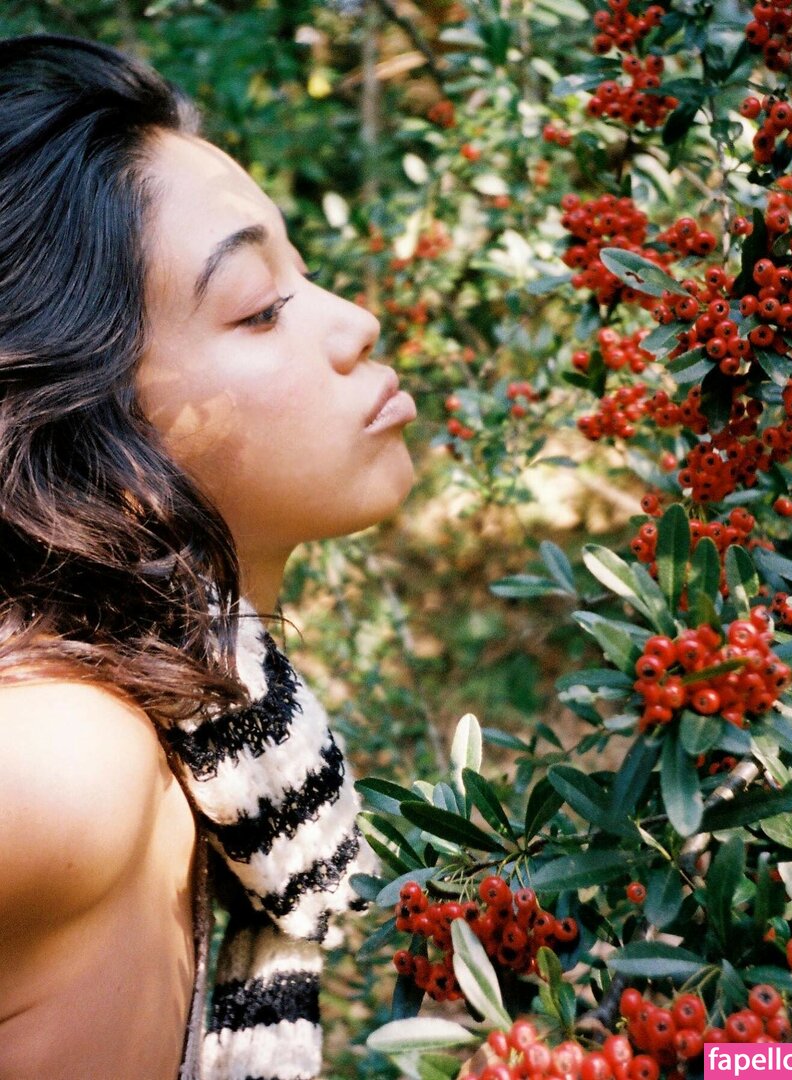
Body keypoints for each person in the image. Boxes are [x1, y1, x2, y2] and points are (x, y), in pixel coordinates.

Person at [0, 33, 415, 1080]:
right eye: (260, 308)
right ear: (81, 421)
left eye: (302, 278)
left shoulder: (197, 724)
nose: (357, 324)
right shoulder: (64, 758)